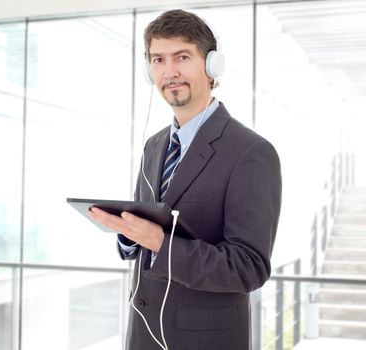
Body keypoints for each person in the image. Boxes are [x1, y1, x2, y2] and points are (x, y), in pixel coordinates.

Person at [88, 9, 281, 350]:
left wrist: (161, 243)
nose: (169, 71)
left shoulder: (251, 152)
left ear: (211, 66)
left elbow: (248, 268)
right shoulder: (155, 145)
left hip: (205, 340)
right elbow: (146, 236)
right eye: (158, 59)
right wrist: (128, 235)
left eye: (182, 57)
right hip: (143, 334)